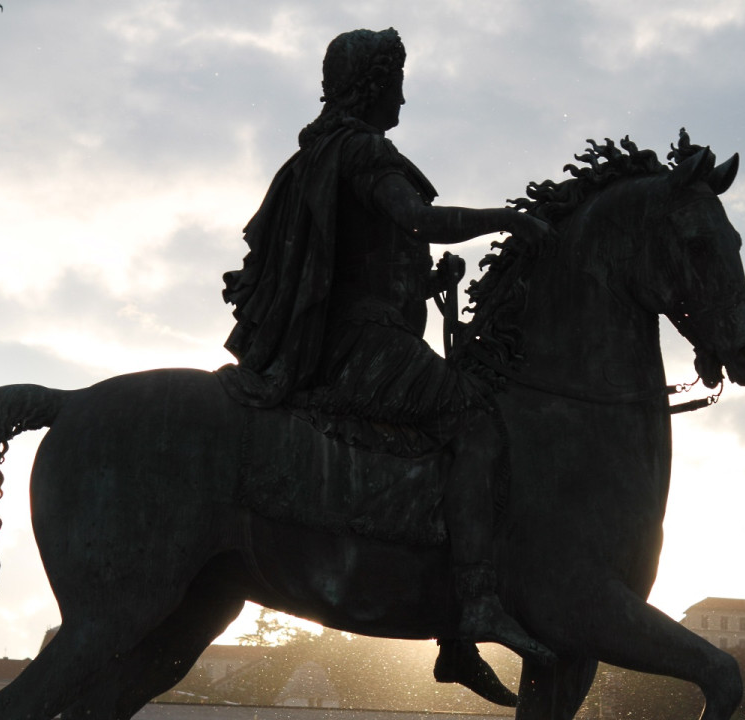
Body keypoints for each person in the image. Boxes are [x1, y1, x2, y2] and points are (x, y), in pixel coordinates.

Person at [222, 28, 554, 700]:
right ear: (373, 84)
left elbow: (358, 264)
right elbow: (418, 219)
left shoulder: (320, 154)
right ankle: (478, 608)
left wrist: (429, 287)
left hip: (347, 336)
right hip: (362, 346)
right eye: (397, 78)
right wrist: (506, 219)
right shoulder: (362, 149)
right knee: (477, 420)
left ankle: (454, 636)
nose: (405, 91)